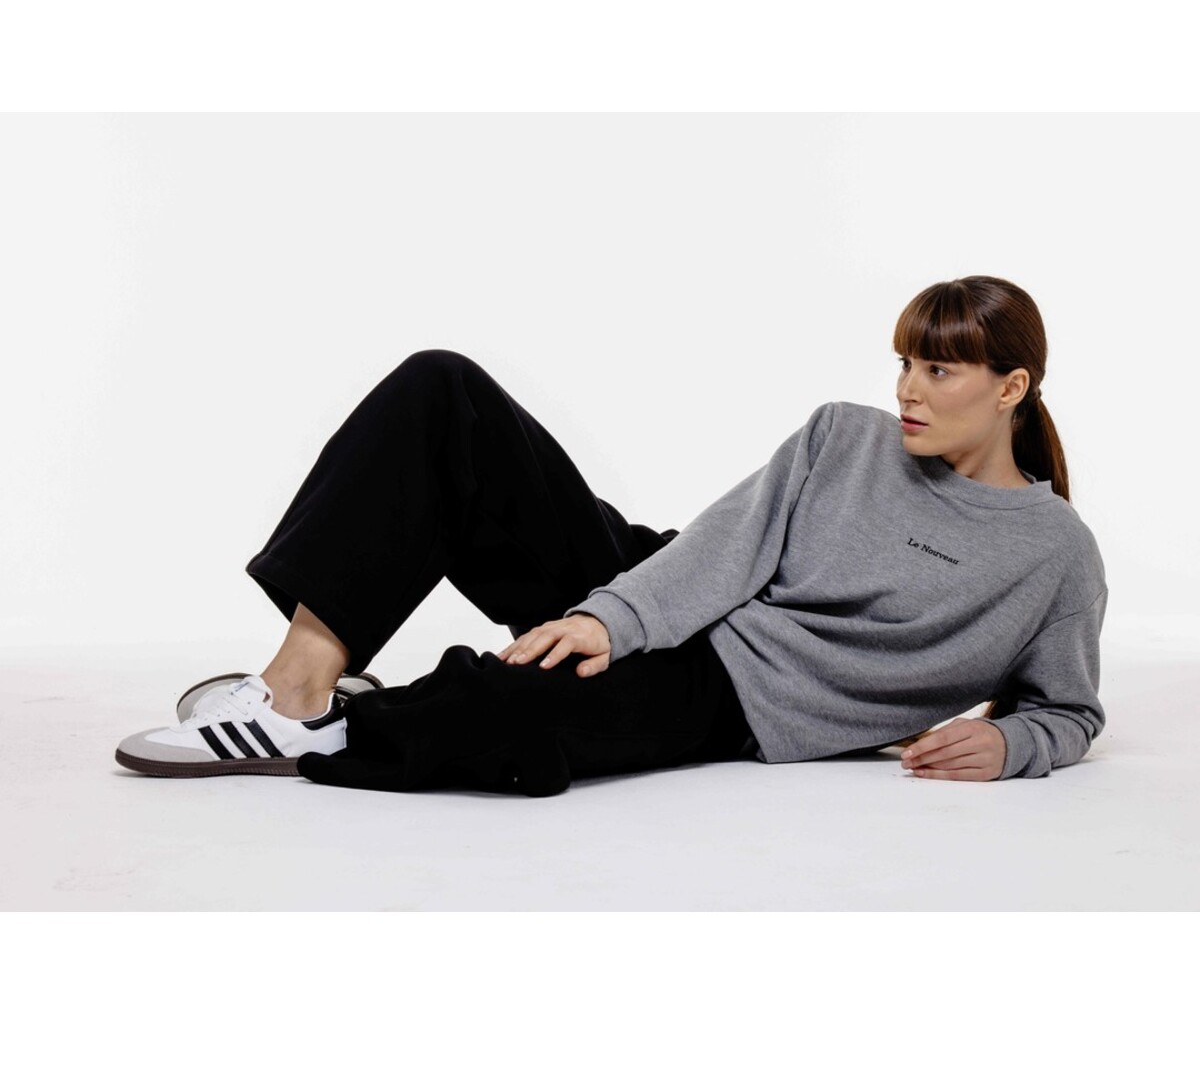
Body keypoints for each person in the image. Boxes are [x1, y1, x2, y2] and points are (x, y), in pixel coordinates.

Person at [114, 274, 1108, 794]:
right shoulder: (845, 436)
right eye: (904, 364)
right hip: (670, 582)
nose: (906, 391)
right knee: (443, 391)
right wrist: (614, 614)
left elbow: (1067, 709)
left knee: (486, 730)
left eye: (938, 371)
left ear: (1010, 388)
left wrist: (1011, 743)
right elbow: (729, 542)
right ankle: (295, 692)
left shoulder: (1053, 556)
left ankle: (344, 719)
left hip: (736, 697)